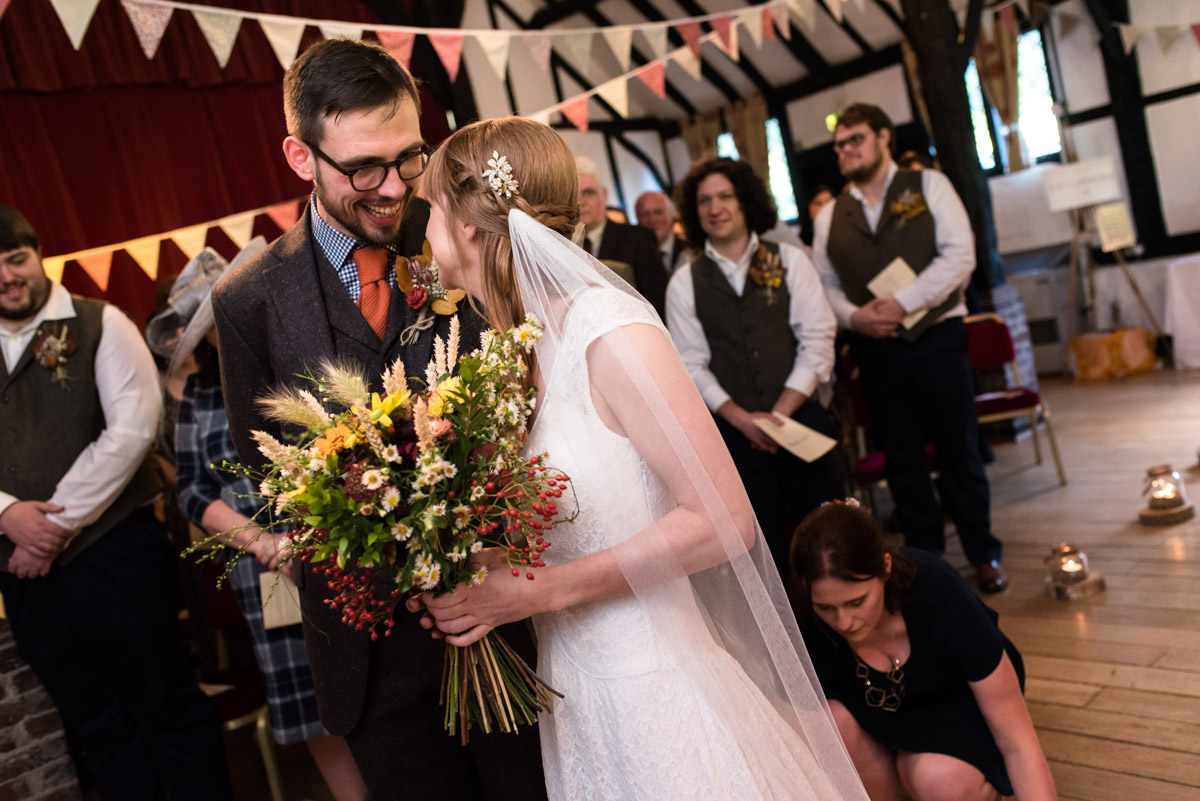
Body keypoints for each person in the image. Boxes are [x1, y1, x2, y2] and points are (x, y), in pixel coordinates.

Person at [409, 116, 869, 801]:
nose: (424, 230)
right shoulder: (515, 347)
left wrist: (536, 590)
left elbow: (723, 521)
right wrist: (485, 567)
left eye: (432, 209)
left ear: (470, 227)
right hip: (580, 696)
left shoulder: (607, 329)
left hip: (657, 689)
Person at [210, 40, 545, 801]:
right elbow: (268, 475)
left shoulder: (468, 235)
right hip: (367, 660)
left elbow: (539, 395)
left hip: (510, 623)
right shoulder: (248, 302)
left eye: (410, 157)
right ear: (301, 156)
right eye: (364, 167)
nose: (394, 188)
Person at [0, 205, 233, 800]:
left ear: (36, 254)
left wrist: (49, 527)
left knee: (166, 710)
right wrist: (7, 515)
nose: (6, 276)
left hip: (116, 557)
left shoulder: (100, 322)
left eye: (14, 259)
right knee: (97, 731)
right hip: (28, 579)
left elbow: (131, 431)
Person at [147, 242, 369, 801]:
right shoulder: (199, 393)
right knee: (311, 696)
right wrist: (264, 544)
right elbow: (193, 491)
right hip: (264, 570)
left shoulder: (294, 359)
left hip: (343, 541)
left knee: (375, 672)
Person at [810, 103, 1008, 593]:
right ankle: (926, 560)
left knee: (959, 449)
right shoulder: (832, 214)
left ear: (883, 138)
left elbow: (960, 256)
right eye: (839, 145)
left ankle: (983, 552)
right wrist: (855, 317)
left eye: (855, 139)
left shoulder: (929, 186)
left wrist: (902, 303)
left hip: (938, 339)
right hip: (877, 352)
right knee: (902, 460)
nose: (846, 150)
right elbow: (824, 284)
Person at [789, 501, 1057, 801]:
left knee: (940, 781)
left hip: (957, 700)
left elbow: (1018, 741)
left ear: (885, 568)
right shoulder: (805, 616)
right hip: (877, 710)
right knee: (829, 723)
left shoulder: (936, 591)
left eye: (856, 601)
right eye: (826, 607)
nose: (844, 622)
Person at [665, 157, 846, 580]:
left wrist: (780, 413)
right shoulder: (685, 281)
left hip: (802, 421)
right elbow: (691, 364)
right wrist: (743, 420)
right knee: (766, 557)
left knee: (830, 542)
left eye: (726, 196)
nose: (715, 208)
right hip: (734, 437)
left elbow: (818, 339)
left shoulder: (790, 260)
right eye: (705, 200)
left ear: (746, 201)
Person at [576, 156, 668, 318]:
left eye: (588, 192)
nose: (580, 202)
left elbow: (657, 303)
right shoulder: (563, 244)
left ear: (604, 195)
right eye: (573, 194)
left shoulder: (638, 239)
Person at [634, 189, 688, 275]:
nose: (652, 219)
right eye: (644, 214)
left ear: (672, 216)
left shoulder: (690, 251)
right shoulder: (632, 257)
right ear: (637, 220)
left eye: (658, 212)